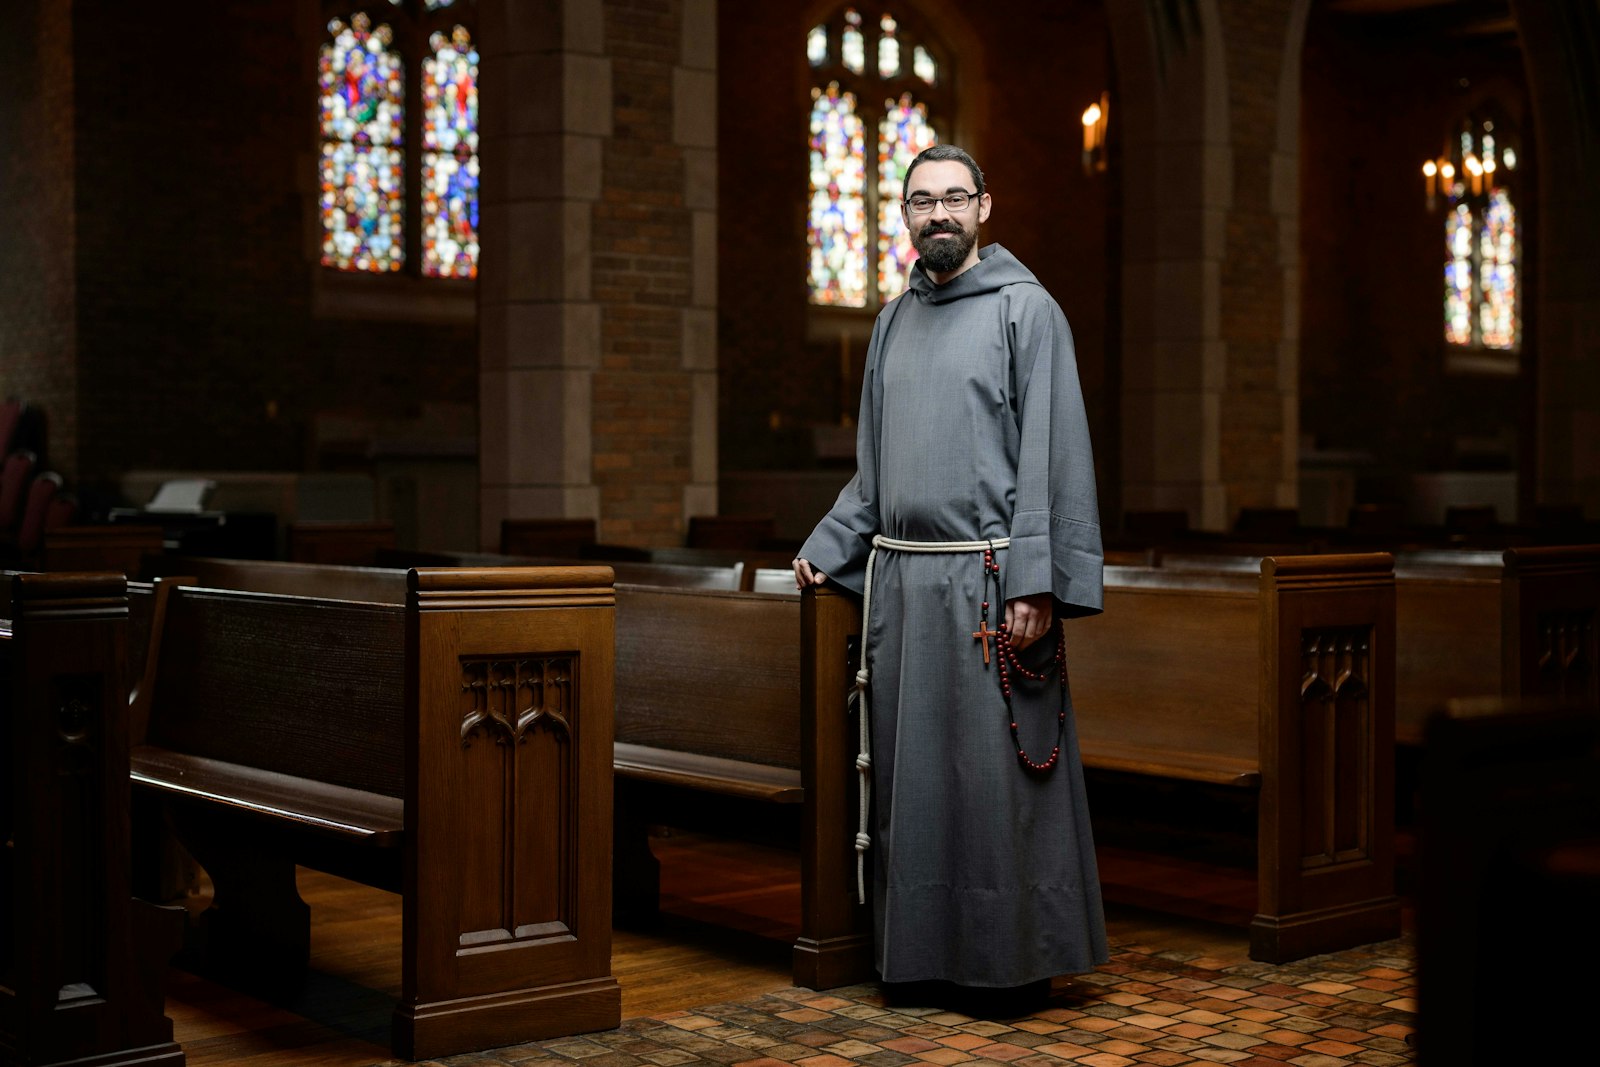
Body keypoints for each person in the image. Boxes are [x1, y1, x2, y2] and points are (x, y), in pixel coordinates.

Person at [792, 143, 1107, 1010]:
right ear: (903, 214)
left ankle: (1009, 962)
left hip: (991, 587)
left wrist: (1037, 582)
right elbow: (874, 469)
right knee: (916, 785)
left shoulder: (1027, 312)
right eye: (922, 200)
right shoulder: (892, 321)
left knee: (996, 783)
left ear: (984, 207)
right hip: (902, 589)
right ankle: (921, 957)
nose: (939, 213)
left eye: (954, 198)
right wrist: (830, 543)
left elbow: (1055, 454)